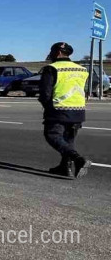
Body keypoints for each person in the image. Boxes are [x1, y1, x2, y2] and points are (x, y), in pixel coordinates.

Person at [40, 42, 92, 179]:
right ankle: (65, 167)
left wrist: (48, 108)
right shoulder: (81, 69)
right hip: (79, 110)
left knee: (52, 135)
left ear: (57, 53)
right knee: (68, 140)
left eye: (51, 51)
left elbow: (45, 93)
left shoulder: (52, 68)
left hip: (59, 110)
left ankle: (78, 159)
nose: (50, 54)